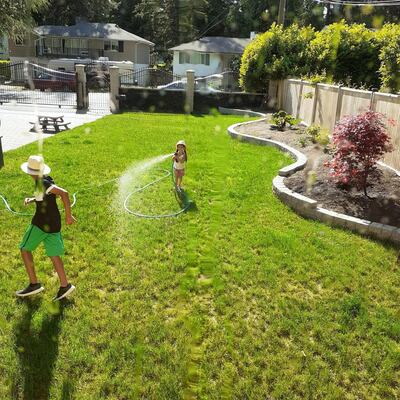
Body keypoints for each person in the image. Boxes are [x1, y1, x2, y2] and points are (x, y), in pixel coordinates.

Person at [16, 155, 76, 301]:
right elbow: (47, 195)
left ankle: (34, 284)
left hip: (41, 224)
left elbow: (64, 193)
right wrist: (32, 199)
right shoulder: (45, 179)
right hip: (54, 224)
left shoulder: (41, 182)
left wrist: (69, 216)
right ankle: (65, 286)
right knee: (54, 255)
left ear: (31, 172)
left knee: (24, 249)